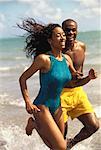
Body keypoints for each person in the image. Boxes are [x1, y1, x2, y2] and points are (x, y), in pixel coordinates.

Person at [18, 18, 78, 150]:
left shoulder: (67, 59)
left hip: (57, 106)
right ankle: (34, 124)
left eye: (63, 35)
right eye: (58, 35)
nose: (63, 38)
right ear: (50, 41)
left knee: (56, 147)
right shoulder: (43, 59)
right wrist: (28, 102)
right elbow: (23, 78)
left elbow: (74, 79)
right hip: (42, 106)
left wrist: (88, 77)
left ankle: (35, 125)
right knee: (61, 147)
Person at [61, 19, 99, 148]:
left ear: (77, 31)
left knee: (93, 126)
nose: (70, 32)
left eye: (73, 30)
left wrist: (89, 77)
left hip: (77, 92)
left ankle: (71, 144)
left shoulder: (81, 47)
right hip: (60, 95)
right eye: (67, 30)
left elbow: (79, 74)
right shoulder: (57, 50)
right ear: (62, 31)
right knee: (61, 135)